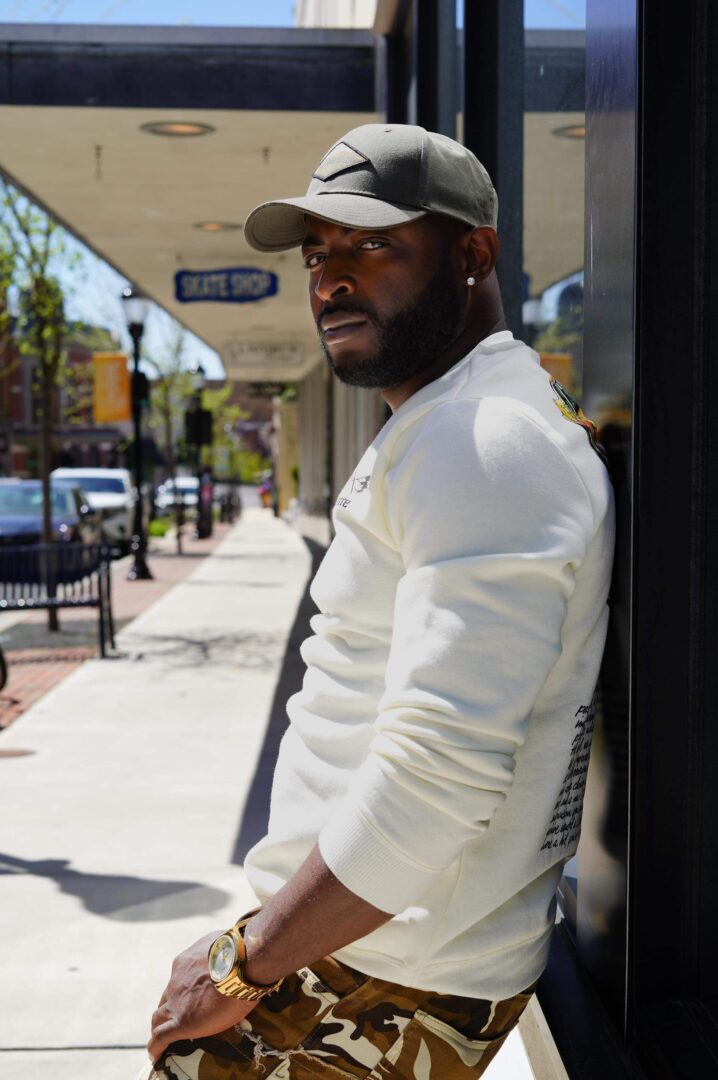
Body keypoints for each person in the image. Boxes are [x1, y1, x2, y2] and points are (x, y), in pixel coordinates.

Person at [142, 124, 614, 1080]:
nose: (332, 280)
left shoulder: (482, 439)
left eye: (373, 244)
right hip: (357, 952)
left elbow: (439, 771)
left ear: (473, 254)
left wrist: (243, 963)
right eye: (318, 254)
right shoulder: (455, 421)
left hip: (381, 980)